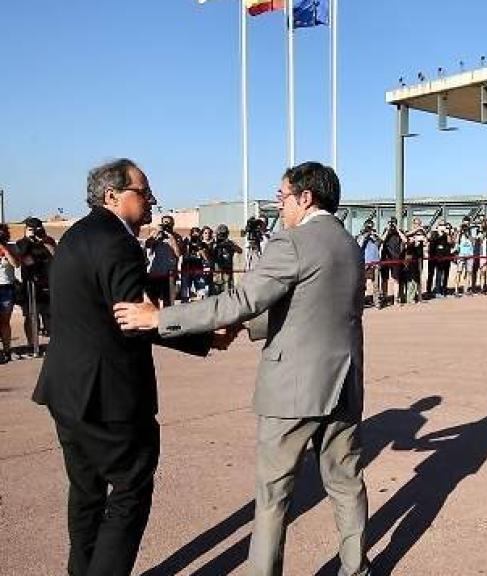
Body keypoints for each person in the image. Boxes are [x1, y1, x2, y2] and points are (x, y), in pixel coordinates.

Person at [114, 161, 371, 576]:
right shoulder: (348, 244)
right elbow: (308, 306)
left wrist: (159, 319)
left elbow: (239, 301)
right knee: (345, 483)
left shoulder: (292, 243)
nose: (278, 204)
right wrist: (246, 327)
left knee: (273, 495)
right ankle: (356, 568)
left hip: (293, 388)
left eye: (282, 195)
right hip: (343, 382)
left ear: (305, 198)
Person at [31, 158, 217, 576]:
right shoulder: (117, 242)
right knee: (130, 491)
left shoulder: (76, 236)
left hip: (66, 390)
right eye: (143, 191)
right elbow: (136, 319)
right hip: (108, 397)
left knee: (86, 494)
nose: (151, 201)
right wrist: (206, 335)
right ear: (112, 195)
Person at [16, 216, 56, 351]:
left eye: (36, 229)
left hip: (47, 283)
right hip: (30, 283)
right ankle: (32, 344)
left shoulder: (47, 240)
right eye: (31, 229)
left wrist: (44, 240)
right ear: (26, 230)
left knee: (49, 314)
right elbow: (23, 258)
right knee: (31, 316)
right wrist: (28, 240)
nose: (34, 232)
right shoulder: (22, 242)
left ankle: (52, 343)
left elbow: (55, 255)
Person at [144, 215, 183, 307]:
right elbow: (147, 245)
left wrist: (172, 239)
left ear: (173, 224)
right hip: (155, 272)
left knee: (168, 300)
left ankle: (167, 320)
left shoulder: (176, 237)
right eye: (165, 222)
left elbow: (178, 254)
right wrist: (156, 233)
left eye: (169, 223)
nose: (167, 225)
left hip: (169, 273)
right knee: (153, 299)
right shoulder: (156, 235)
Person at [0, 224, 20, 364]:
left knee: (5, 321)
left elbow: (16, 264)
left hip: (6, 287)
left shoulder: (11, 247)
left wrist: (5, 251)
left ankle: (7, 350)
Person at [209, 224, 242, 296]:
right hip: (216, 272)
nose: (222, 236)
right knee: (215, 296)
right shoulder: (213, 243)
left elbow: (240, 250)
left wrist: (230, 245)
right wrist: (214, 244)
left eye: (224, 234)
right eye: (220, 234)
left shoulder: (230, 243)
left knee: (228, 295)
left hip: (227, 273)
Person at [380, 217, 405, 308]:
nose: (392, 225)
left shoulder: (399, 232)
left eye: (393, 223)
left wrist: (398, 229)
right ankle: (385, 297)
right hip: (385, 258)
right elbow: (382, 240)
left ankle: (396, 298)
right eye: (391, 223)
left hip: (396, 258)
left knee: (396, 279)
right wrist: (387, 230)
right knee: (384, 279)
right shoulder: (386, 231)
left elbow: (405, 240)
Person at [356, 219, 381, 308]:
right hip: (365, 263)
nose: (369, 228)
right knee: (363, 284)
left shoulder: (374, 236)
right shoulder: (361, 235)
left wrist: (373, 235)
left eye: (371, 226)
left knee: (376, 284)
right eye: (368, 226)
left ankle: (377, 302)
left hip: (375, 262)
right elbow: (359, 245)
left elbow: (379, 243)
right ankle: (361, 302)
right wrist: (365, 235)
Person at [454, 222, 475, 296]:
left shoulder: (470, 237)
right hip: (461, 256)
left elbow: (473, 242)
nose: (465, 231)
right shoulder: (459, 237)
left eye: (466, 229)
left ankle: (466, 289)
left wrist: (469, 236)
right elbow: (456, 245)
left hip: (470, 256)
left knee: (469, 273)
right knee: (459, 272)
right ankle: (456, 289)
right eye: (464, 229)